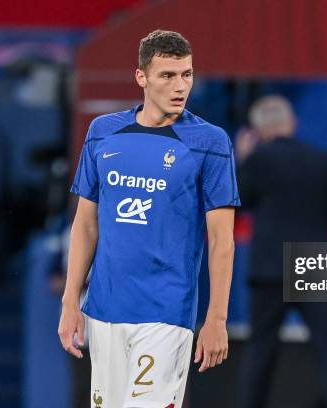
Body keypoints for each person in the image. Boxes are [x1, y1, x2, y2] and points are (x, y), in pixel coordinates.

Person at [58, 30, 241, 408]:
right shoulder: (102, 133)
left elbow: (222, 240)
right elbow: (86, 225)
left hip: (166, 311)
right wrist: (70, 300)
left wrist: (217, 319)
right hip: (104, 310)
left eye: (187, 75)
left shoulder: (210, 142)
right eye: (168, 76)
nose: (181, 86)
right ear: (141, 77)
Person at [235, 95, 327, 408]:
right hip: (315, 265)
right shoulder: (325, 160)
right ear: (291, 123)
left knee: (260, 353)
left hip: (269, 270)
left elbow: (236, 204)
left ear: (259, 130)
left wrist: (242, 161)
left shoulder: (258, 160)